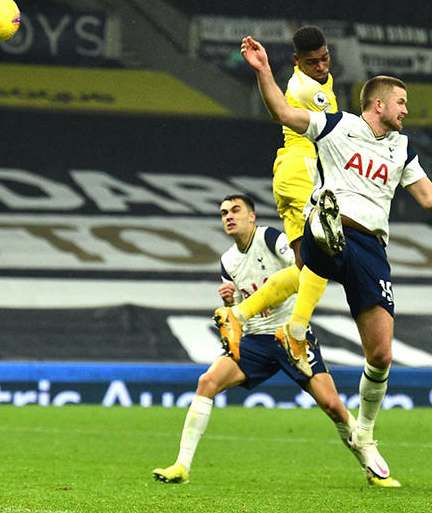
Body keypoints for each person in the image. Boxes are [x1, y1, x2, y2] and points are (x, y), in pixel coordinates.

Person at [240, 35, 432, 477]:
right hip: (330, 233)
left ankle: (365, 434)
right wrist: (263, 69)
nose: (406, 110)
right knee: (320, 225)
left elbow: (431, 199)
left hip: (371, 248)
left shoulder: (403, 148)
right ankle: (323, 227)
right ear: (377, 105)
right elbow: (282, 112)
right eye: (401, 102)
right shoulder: (336, 125)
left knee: (381, 355)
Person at [153, 194, 399, 487]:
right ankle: (181, 466)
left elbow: (303, 268)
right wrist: (235, 301)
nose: (228, 217)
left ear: (252, 217)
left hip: (288, 336)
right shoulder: (227, 261)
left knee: (333, 406)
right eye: (223, 213)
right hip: (256, 340)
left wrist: (274, 294)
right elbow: (240, 307)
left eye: (235, 210)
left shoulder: (271, 238)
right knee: (207, 382)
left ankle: (372, 469)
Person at [215, 26, 336, 371]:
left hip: (291, 171)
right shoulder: (307, 87)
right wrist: (264, 71)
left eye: (324, 58)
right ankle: (294, 332)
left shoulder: (318, 80)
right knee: (326, 257)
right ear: (298, 62)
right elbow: (282, 113)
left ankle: (238, 316)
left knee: (304, 267)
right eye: (312, 62)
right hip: (303, 170)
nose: (321, 66)